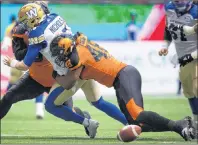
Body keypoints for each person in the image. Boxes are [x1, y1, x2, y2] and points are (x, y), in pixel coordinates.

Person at [36, 31, 195, 141]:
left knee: (138, 116)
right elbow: (79, 36)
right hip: (121, 79)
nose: (59, 57)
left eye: (60, 53)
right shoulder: (79, 42)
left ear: (68, 49)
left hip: (124, 75)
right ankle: (180, 125)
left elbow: (70, 81)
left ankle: (178, 125)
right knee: (137, 124)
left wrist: (55, 75)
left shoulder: (76, 59)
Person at [3, 3, 129, 138]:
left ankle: (87, 122)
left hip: (70, 73)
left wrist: (12, 63)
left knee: (50, 106)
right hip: (84, 63)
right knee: (99, 102)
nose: (25, 25)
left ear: (32, 19)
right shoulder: (55, 17)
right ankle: (130, 123)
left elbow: (25, 65)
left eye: (25, 21)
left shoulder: (36, 34)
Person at [158, 0, 198, 138]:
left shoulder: (196, 12)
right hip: (183, 57)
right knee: (189, 92)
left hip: (194, 55)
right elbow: (169, 28)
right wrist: (165, 45)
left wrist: (189, 56)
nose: (179, 2)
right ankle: (197, 125)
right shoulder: (169, 7)